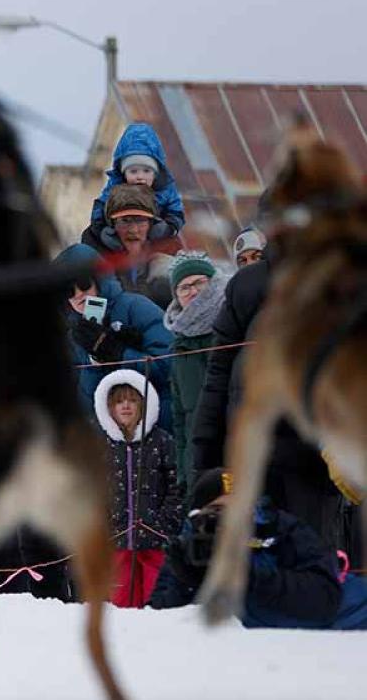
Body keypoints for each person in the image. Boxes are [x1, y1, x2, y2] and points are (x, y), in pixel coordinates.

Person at [188, 236, 346, 551]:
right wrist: (204, 454)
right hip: (253, 456)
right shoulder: (247, 285)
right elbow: (217, 373)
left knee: (310, 563)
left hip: (314, 461)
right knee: (257, 561)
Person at [149, 469, 367, 629]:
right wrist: (187, 583)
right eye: (217, 511)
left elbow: (325, 599)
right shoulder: (189, 547)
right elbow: (161, 622)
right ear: (198, 515)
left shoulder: (282, 529)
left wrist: (252, 578)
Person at [55, 243, 175, 430]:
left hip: (159, 429)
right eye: (68, 291)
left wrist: (119, 353)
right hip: (113, 442)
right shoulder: (74, 336)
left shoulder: (136, 307)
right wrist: (94, 362)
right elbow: (85, 405)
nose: (79, 295)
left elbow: (170, 367)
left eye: (84, 284)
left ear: (99, 280)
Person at [92, 370, 183, 607]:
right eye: (119, 401)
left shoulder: (162, 442)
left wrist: (164, 521)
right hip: (117, 544)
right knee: (121, 604)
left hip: (156, 541)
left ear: (144, 404)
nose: (126, 406)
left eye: (132, 400)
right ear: (108, 407)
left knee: (157, 603)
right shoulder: (101, 446)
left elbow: (177, 485)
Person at [163, 252, 229, 492]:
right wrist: (183, 471)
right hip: (198, 462)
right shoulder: (179, 346)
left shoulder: (230, 328)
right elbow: (180, 416)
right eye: (184, 287)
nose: (192, 291)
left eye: (199, 282)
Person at [83, 122, 185, 245]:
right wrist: (102, 231)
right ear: (123, 172)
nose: (140, 177)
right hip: (120, 242)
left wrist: (169, 228)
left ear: (156, 173)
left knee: (168, 252)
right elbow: (99, 209)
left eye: (146, 171)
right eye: (133, 171)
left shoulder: (165, 189)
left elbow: (176, 212)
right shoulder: (114, 188)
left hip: (154, 244)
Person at [87, 185, 177, 308]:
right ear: (111, 226)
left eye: (141, 221)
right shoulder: (92, 258)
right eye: (125, 221)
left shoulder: (171, 255)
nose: (133, 230)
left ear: (152, 225)